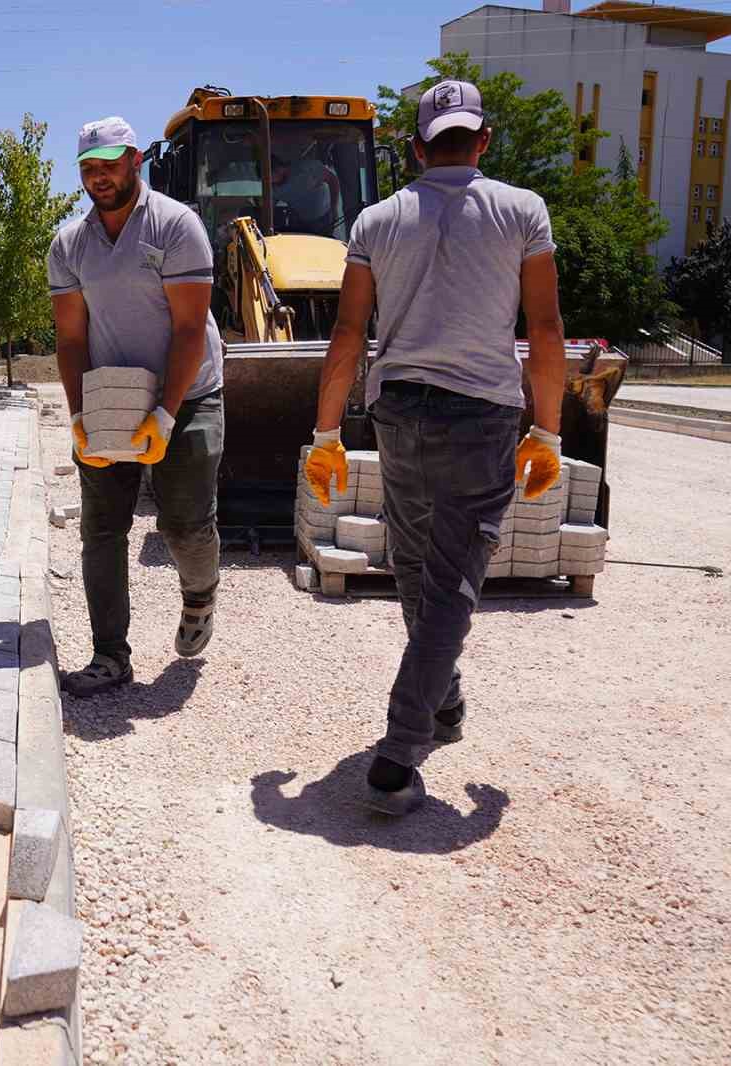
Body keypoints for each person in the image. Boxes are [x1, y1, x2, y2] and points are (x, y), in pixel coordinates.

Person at [304, 80, 566, 816]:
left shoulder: (376, 220)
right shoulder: (524, 212)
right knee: (451, 584)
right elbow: (544, 332)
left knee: (418, 564)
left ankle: (443, 702)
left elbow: (348, 338)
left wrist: (326, 435)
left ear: (416, 148)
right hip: (481, 415)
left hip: (399, 410)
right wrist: (547, 429)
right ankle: (397, 754)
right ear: (482, 141)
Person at [48, 116, 227, 697]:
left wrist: (167, 415)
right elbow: (72, 339)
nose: (98, 176)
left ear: (135, 160)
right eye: (88, 167)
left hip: (190, 391)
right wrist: (78, 416)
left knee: (183, 524)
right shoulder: (70, 244)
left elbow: (188, 331)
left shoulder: (177, 226)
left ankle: (199, 594)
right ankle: (109, 656)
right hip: (110, 399)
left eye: (108, 163)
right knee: (102, 529)